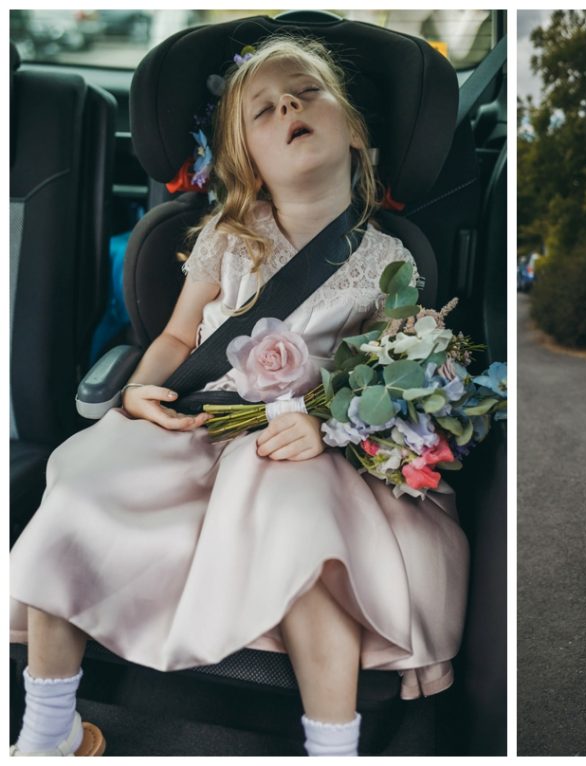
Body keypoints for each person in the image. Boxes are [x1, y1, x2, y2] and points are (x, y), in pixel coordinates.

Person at [9, 37, 468, 757]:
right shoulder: (229, 237)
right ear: (247, 160)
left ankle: (332, 746)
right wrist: (139, 393)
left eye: (307, 92)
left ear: (352, 130)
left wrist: (332, 426)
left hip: (307, 440)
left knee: (309, 539)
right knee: (80, 490)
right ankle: (48, 726)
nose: (288, 105)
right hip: (206, 420)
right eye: (263, 108)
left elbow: (391, 376)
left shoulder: (392, 261)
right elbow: (175, 338)